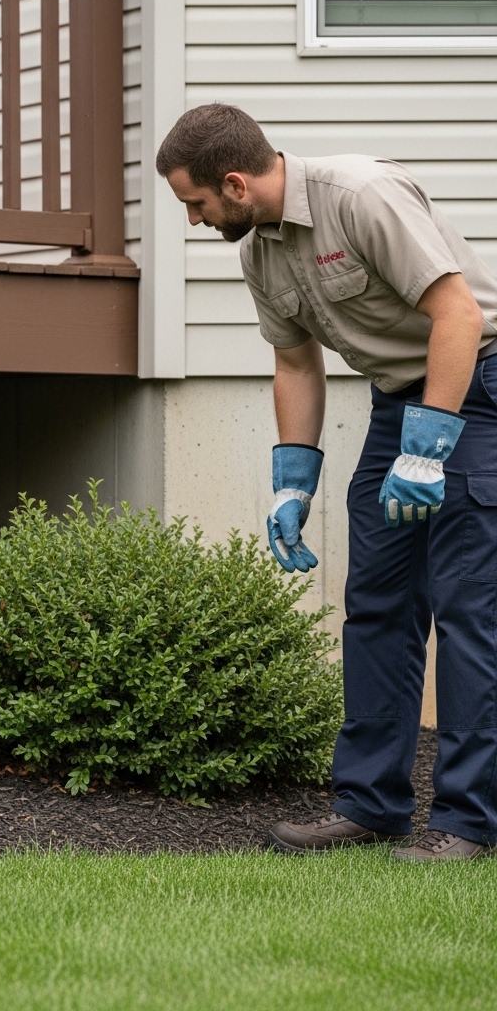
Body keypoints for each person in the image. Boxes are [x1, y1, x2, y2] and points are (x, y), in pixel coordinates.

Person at [156, 104, 497, 861]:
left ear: (235, 184)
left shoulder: (361, 196)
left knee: (469, 612)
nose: (193, 218)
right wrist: (292, 482)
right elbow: (295, 364)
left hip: (476, 392)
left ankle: (468, 823)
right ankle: (371, 805)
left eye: (196, 203)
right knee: (376, 602)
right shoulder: (260, 253)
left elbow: (459, 315)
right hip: (396, 402)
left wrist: (429, 448)